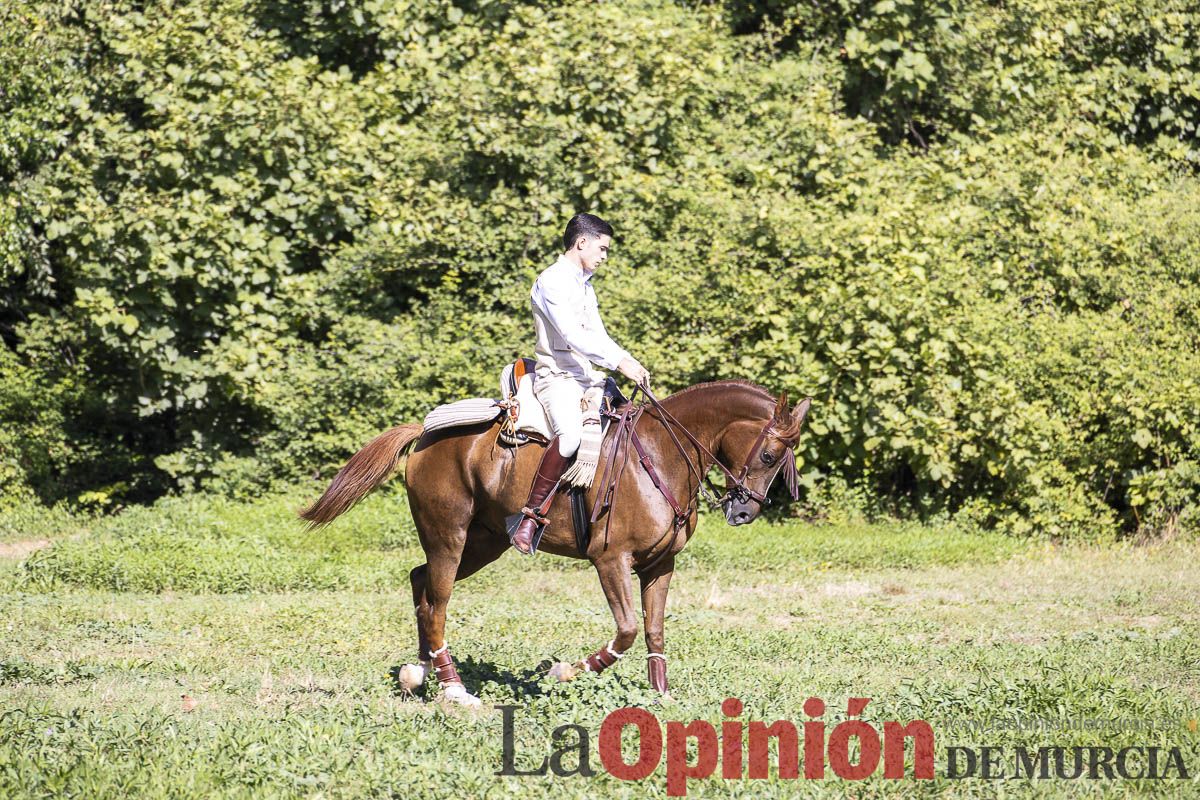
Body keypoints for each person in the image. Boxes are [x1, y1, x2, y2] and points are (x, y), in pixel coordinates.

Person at [509, 213, 650, 555]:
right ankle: (530, 517)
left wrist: (629, 360)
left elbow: (597, 334)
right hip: (555, 377)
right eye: (602, 248)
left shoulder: (584, 284)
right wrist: (620, 362)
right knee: (570, 436)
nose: (605, 256)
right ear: (581, 242)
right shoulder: (553, 281)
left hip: (586, 377)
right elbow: (572, 335)